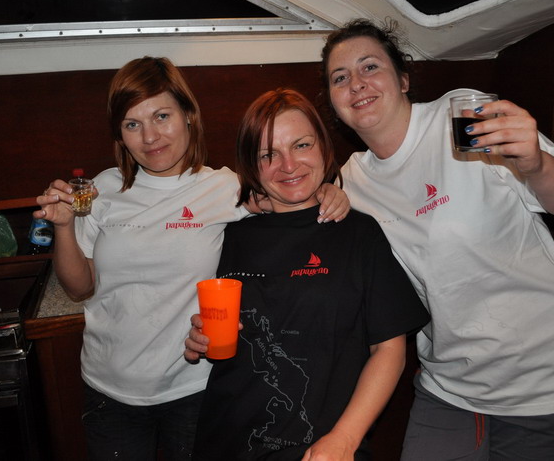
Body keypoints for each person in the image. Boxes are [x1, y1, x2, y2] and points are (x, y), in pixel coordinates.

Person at [34, 57, 349, 461]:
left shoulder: (225, 187)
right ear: (120, 135)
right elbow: (80, 286)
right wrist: (63, 227)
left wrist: (329, 191)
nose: (150, 136)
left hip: (194, 389)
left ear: (188, 114)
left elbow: (290, 193)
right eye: (132, 124)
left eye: (162, 116)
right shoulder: (101, 191)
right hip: (109, 391)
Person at [320, 19, 554, 461]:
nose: (356, 83)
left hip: (545, 380)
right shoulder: (352, 180)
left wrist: (536, 164)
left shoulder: (463, 117)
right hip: (449, 384)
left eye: (370, 67)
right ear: (334, 102)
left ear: (403, 79)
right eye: (340, 78)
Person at [184, 88, 429, 460]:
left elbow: (389, 350)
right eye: (268, 154)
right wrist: (199, 338)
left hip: (323, 448)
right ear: (251, 164)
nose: (288, 165)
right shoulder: (231, 234)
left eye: (301, 145)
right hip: (226, 443)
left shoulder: (359, 233)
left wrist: (344, 440)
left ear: (323, 148)